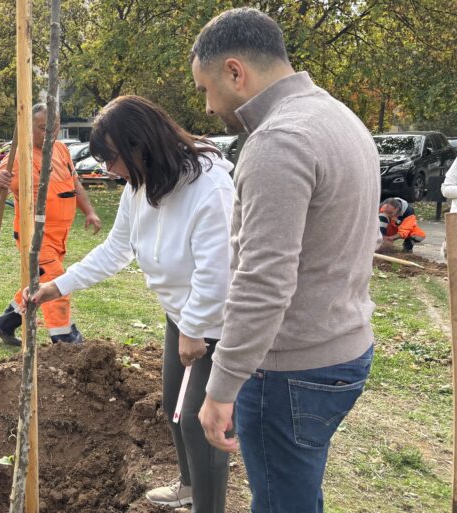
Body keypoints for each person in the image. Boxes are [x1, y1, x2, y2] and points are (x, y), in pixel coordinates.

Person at [190, 8, 379, 513]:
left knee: (281, 502)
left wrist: (222, 386)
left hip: (292, 369)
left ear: (235, 71)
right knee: (296, 490)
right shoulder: (338, 117)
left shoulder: (279, 140)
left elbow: (264, 281)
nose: (208, 107)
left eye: (207, 89)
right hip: (344, 347)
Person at [29, 96, 234, 512]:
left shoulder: (209, 188)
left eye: (112, 158)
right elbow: (116, 250)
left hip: (216, 322)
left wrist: (195, 328)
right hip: (181, 315)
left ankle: (208, 507)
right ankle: (190, 486)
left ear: (141, 145)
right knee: (173, 405)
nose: (107, 170)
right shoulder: (139, 187)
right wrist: (59, 285)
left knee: (200, 420)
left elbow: (219, 270)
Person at [0, 103, 102, 345]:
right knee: (56, 280)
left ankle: (6, 322)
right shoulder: (18, 158)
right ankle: (65, 338)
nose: (50, 134)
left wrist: (89, 211)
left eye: (54, 128)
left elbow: (75, 185)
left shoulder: (61, 150)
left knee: (38, 284)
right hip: (34, 237)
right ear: (28, 128)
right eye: (42, 128)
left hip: (59, 236)